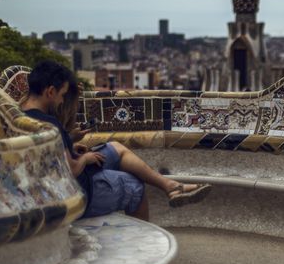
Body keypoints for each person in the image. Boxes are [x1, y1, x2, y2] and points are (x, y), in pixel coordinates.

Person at [20, 61, 211, 220]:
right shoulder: (48, 123)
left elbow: (49, 155)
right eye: (62, 95)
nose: (62, 101)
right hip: (75, 190)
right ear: (50, 92)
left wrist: (70, 142)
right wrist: (85, 159)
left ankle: (170, 186)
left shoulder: (20, 116)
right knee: (135, 188)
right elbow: (70, 169)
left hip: (49, 188)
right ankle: (143, 248)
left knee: (116, 148)